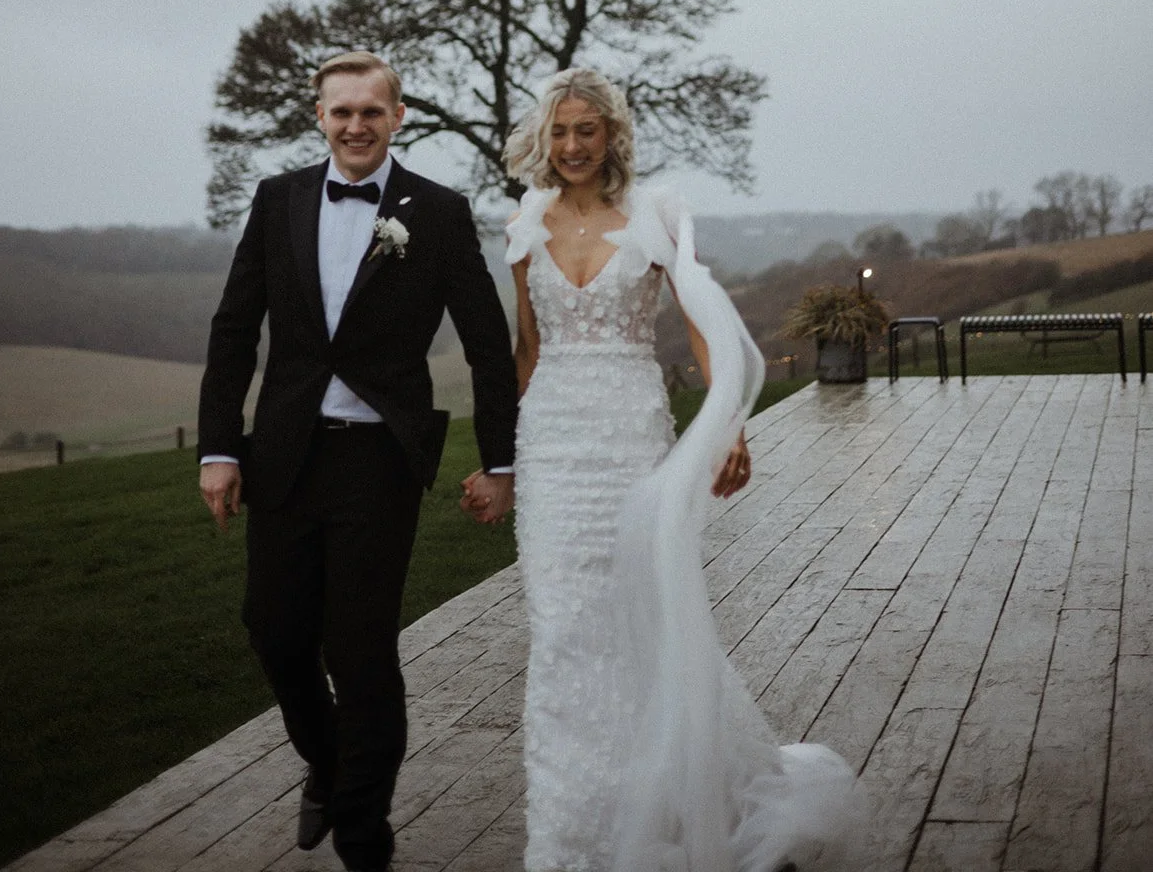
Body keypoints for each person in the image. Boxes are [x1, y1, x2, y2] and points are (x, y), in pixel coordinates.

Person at [463, 68, 861, 872]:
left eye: (586, 130)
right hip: (551, 448)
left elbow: (704, 326)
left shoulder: (657, 215)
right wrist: (501, 461)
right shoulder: (524, 224)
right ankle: (571, 837)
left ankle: (679, 812)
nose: (571, 145)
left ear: (612, 134)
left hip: (631, 439)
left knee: (643, 620)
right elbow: (526, 349)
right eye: (559, 132)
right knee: (561, 632)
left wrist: (726, 424)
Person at [198, 52, 517, 872]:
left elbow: (488, 344)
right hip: (285, 454)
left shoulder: (438, 212)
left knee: (360, 649)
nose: (355, 125)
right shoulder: (278, 200)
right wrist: (219, 449)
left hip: (379, 457)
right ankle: (329, 759)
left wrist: (501, 461)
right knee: (273, 630)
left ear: (397, 117)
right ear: (319, 117)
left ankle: (362, 836)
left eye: (371, 111)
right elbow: (234, 330)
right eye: (340, 112)